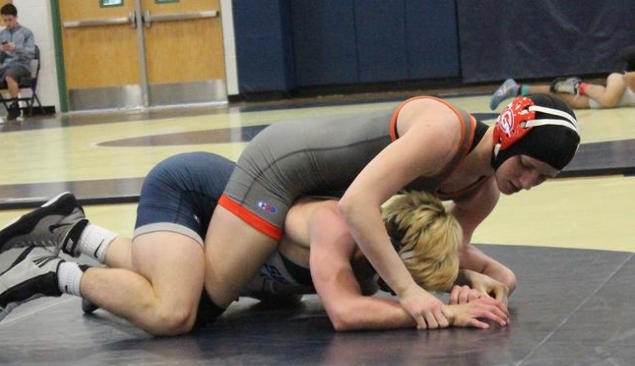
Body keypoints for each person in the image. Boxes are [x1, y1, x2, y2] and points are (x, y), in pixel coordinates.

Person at [0, 152, 510, 335]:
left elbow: (490, 274)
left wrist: (469, 285)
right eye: (409, 282)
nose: (406, 292)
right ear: (387, 250)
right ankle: (46, 268)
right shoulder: (336, 224)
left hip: (223, 228)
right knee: (176, 312)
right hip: (187, 189)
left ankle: (74, 231)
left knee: (212, 281)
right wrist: (437, 313)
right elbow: (347, 314)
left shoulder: (394, 236)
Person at [198, 93, 580, 330]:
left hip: (321, 195)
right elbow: (356, 204)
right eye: (527, 165)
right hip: (279, 168)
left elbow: (440, 253)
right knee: (195, 310)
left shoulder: (482, 193)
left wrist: (495, 279)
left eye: (542, 178)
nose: (528, 182)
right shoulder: (444, 132)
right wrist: (408, 292)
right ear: (509, 136)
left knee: (328, 282)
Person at [490, 73, 635, 110]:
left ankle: (515, 89)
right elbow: (626, 77)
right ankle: (578, 86)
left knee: (568, 100)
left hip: (612, 98)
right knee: (609, 100)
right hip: (619, 84)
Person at [0, 3, 35, 121]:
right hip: (5, 65)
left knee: (9, 75)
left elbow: (31, 53)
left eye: (10, 20)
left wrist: (16, 48)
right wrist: (0, 53)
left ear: (16, 17)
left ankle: (14, 106)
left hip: (21, 65)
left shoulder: (26, 33)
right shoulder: (0, 35)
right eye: (5, 20)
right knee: (5, 71)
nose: (7, 23)